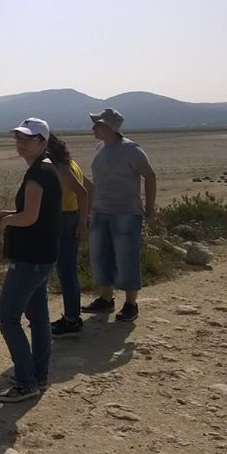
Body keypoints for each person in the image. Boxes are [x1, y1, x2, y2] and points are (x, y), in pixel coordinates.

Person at [0, 118, 62, 403]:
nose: (21, 143)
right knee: (38, 317)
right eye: (18, 138)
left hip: (30, 257)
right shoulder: (47, 169)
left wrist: (7, 221)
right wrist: (11, 213)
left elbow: (30, 217)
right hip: (44, 255)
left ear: (43, 142)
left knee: (6, 318)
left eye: (28, 139)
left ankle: (26, 381)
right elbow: (39, 212)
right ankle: (39, 375)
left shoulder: (37, 174)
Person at [82, 108, 157, 322]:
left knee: (126, 256)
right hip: (100, 210)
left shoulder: (131, 150)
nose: (94, 127)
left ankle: (130, 303)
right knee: (100, 255)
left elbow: (150, 176)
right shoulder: (100, 148)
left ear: (111, 127)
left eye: (98, 124)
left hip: (126, 212)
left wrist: (150, 207)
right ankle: (106, 299)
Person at [45, 133, 91, 335]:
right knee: (67, 271)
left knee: (66, 272)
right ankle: (71, 316)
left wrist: (83, 222)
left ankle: (72, 319)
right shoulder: (70, 163)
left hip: (64, 220)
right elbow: (91, 188)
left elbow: (83, 192)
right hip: (67, 218)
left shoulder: (60, 167)